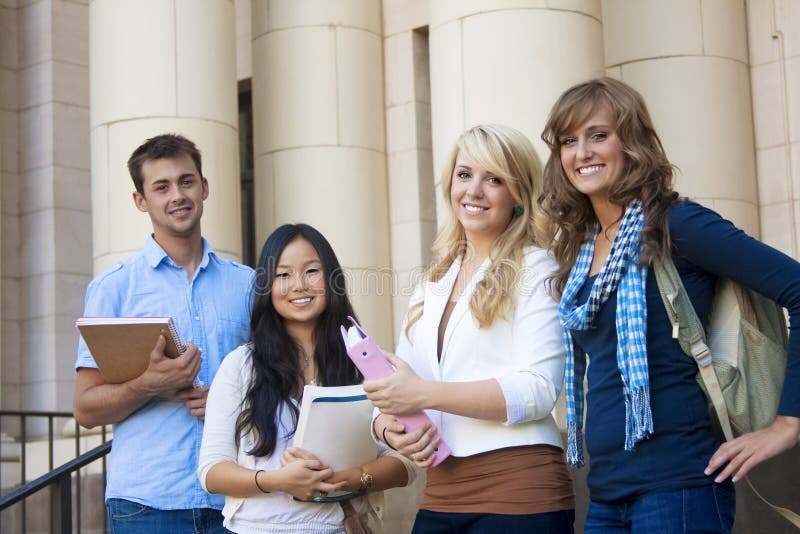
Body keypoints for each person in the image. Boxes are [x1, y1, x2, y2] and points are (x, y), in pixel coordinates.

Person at [539, 77, 800, 533]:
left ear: (632, 142)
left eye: (598, 135)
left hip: (679, 487)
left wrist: (787, 423)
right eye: (568, 141)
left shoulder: (678, 225)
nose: (582, 153)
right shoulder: (579, 252)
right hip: (605, 493)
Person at [363, 124, 575, 533]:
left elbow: (538, 389)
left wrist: (424, 394)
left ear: (517, 194)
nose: (474, 190)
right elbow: (396, 389)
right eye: (465, 174)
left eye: (494, 178)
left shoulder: (537, 267)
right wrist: (388, 430)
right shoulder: (432, 283)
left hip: (520, 493)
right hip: (440, 493)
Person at [73, 133, 254, 533]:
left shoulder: (248, 286)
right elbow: (86, 409)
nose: (178, 195)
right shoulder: (113, 290)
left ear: (204, 188)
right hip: (147, 503)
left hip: (238, 496)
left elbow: (284, 378)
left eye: (186, 181)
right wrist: (150, 385)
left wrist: (237, 402)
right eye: (161, 186)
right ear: (141, 201)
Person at [197, 223, 415, 534]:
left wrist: (351, 479)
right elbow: (211, 471)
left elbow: (405, 464)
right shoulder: (241, 365)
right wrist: (276, 481)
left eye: (311, 271)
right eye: (283, 275)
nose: (299, 285)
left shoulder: (363, 360)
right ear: (267, 286)